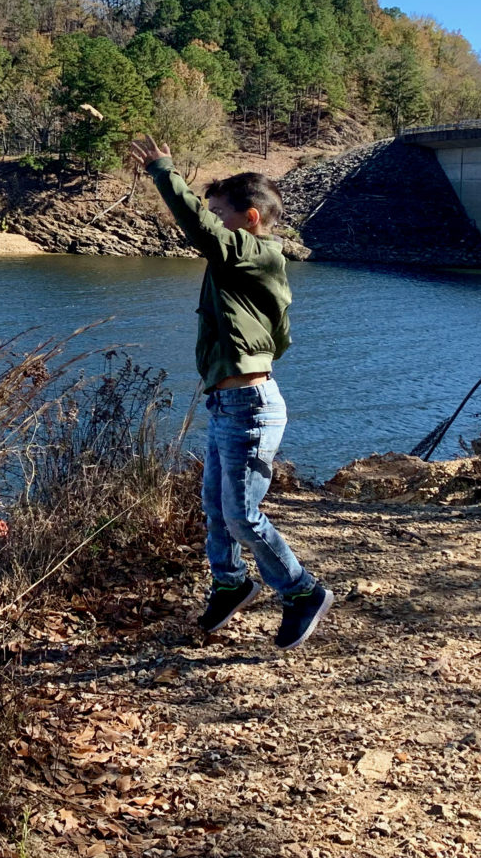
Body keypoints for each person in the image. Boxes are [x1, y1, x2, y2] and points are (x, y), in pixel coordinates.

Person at [125, 135, 333, 650]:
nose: (213, 222)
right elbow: (276, 337)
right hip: (229, 403)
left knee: (241, 514)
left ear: (250, 219)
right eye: (214, 214)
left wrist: (163, 172)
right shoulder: (236, 267)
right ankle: (230, 583)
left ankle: (302, 591)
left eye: (222, 215)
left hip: (251, 406)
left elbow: (199, 226)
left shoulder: (257, 254)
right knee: (216, 509)